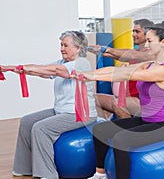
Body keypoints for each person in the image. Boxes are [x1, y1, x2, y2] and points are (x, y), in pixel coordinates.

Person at [76, 21, 164, 179]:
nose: (147, 44)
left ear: (163, 43)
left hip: (162, 126)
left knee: (120, 139)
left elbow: (127, 75)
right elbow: (116, 71)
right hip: (145, 120)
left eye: (150, 41)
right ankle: (100, 174)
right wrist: (89, 74)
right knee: (100, 130)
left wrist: (92, 76)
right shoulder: (149, 65)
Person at [1, 31, 97, 179]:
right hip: (61, 111)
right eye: (61, 45)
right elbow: (43, 71)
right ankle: (25, 168)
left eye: (66, 45)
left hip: (80, 114)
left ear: (78, 48)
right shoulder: (61, 63)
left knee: (41, 128)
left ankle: (47, 175)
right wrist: (13, 68)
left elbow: (55, 71)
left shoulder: (82, 63)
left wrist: (25, 67)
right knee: (26, 121)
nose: (62, 48)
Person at [88, 19, 154, 119]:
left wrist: (105, 49)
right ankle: (103, 125)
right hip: (130, 99)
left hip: (144, 102)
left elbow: (131, 55)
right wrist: (100, 51)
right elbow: (123, 55)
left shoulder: (150, 53)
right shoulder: (135, 52)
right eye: (133, 31)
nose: (133, 34)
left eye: (137, 32)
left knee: (117, 103)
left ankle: (128, 132)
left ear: (147, 34)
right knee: (93, 99)